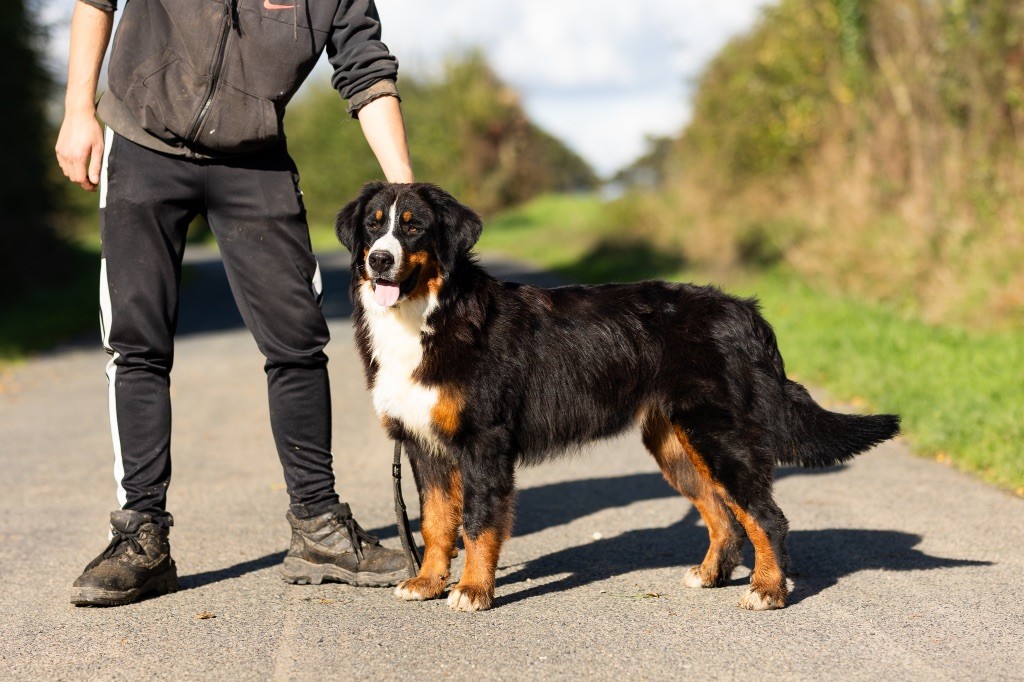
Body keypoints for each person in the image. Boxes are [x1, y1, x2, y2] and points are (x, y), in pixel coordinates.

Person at [55, 0, 415, 606]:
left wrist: (405, 194)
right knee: (138, 343)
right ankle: (140, 536)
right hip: (143, 146)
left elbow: (365, 68)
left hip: (254, 162)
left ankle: (318, 527)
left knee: (298, 341)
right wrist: (77, 110)